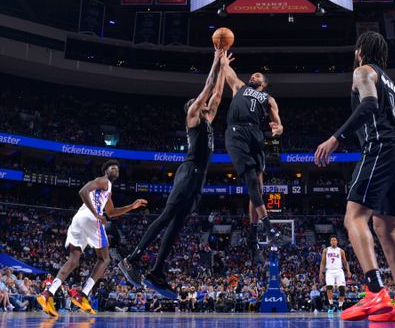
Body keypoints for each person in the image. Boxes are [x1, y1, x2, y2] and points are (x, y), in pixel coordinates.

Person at [315, 31, 395, 322]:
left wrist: (336, 138)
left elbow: (370, 105)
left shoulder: (362, 71)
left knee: (354, 216)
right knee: (386, 227)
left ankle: (375, 290)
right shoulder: (391, 82)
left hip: (381, 146)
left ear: (360, 50)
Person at [119, 48, 226, 299]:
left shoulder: (208, 120)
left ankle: (156, 272)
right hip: (188, 172)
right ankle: (132, 259)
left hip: (199, 179)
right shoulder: (192, 117)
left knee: (177, 225)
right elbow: (209, 87)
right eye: (199, 102)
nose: (202, 103)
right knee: (168, 215)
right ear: (192, 107)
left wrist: (224, 67)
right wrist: (214, 61)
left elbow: (218, 93)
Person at [36, 160, 147, 317]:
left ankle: (48, 293)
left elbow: (112, 212)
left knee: (73, 260)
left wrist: (131, 206)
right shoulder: (102, 180)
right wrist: (96, 214)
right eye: (112, 168)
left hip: (78, 220)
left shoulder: (107, 189)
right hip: (90, 218)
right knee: (105, 259)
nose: (116, 170)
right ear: (106, 170)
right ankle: (83, 294)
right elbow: (82, 191)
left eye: (117, 169)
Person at [221, 52, 284, 253]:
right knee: (250, 180)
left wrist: (279, 128)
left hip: (255, 134)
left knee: (259, 188)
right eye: (253, 75)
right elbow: (226, 70)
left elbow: (279, 122)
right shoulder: (239, 87)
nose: (253, 77)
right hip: (236, 131)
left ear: (263, 84)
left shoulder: (268, 98)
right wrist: (221, 58)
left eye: (257, 76)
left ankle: (253, 231)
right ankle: (268, 226)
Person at [319, 236, 351, 314]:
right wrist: (320, 272)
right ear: (330, 242)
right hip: (329, 271)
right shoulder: (326, 250)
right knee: (329, 287)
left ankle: (340, 307)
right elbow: (323, 262)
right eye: (332, 240)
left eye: (335, 240)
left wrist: (348, 271)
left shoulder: (341, 251)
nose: (333, 241)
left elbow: (345, 262)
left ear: (337, 241)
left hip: (339, 271)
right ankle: (331, 305)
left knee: (342, 289)